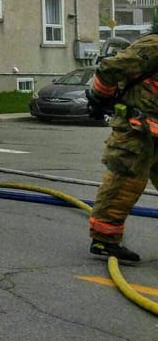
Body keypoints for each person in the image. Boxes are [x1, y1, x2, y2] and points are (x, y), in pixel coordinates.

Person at [86, 31, 158, 262]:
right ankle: (104, 240)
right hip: (136, 132)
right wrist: (100, 99)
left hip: (155, 133)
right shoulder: (153, 46)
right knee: (124, 184)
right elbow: (109, 68)